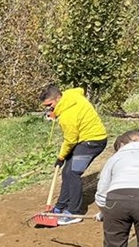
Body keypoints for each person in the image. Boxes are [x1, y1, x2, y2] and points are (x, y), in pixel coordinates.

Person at [40, 85, 109, 224]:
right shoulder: (72, 95)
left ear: (58, 98)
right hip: (83, 139)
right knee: (66, 171)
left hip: (92, 142)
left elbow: (70, 140)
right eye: (45, 106)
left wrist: (61, 157)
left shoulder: (67, 115)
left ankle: (74, 212)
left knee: (72, 173)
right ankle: (60, 206)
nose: (48, 108)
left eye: (50, 105)